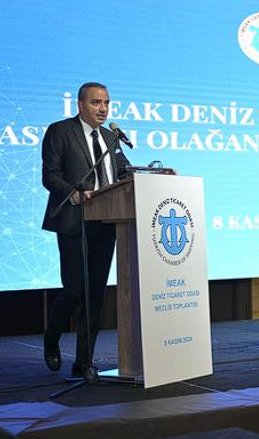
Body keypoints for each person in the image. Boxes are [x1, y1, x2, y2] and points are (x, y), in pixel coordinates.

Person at [41, 82, 132, 377]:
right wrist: (75, 193)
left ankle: (84, 362)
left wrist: (155, 175)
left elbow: (123, 172)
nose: (102, 109)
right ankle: (51, 337)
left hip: (105, 224)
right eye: (96, 102)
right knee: (74, 290)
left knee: (95, 295)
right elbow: (50, 176)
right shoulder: (60, 131)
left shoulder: (111, 137)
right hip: (73, 221)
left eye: (106, 103)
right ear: (80, 104)